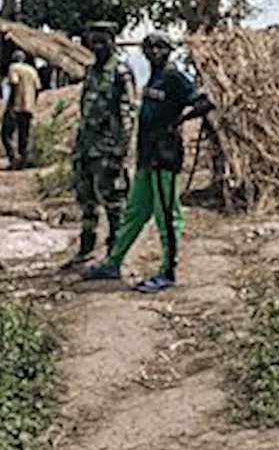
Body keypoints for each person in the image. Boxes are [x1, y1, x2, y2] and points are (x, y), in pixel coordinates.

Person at [82, 32, 214, 292]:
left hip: (165, 157)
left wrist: (177, 123)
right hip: (146, 156)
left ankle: (168, 272)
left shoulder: (175, 77)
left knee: (166, 216)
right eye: (149, 47)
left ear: (169, 50)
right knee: (135, 212)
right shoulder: (153, 77)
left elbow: (204, 102)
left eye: (160, 47)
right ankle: (113, 263)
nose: (154, 51)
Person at [66, 21, 138, 266]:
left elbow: (128, 113)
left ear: (112, 41)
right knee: (86, 200)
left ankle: (115, 254)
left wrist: (120, 151)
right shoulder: (90, 71)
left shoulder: (120, 72)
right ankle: (86, 248)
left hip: (108, 149)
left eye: (102, 40)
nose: (97, 46)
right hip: (86, 147)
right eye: (93, 41)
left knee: (114, 203)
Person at [2, 50, 42, 169]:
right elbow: (38, 88)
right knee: (24, 135)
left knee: (6, 133)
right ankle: (24, 161)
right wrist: (32, 103)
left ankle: (14, 158)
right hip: (29, 107)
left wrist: (10, 105)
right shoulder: (32, 70)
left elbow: (14, 84)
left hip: (17, 106)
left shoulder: (13, 68)